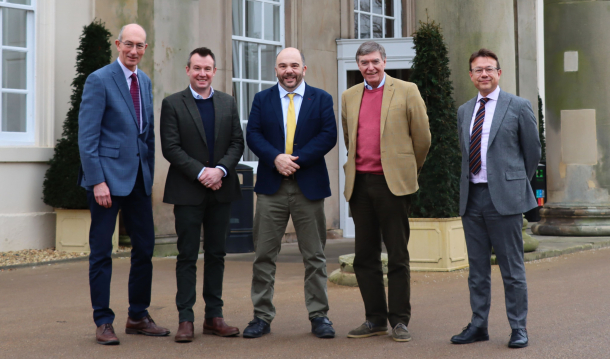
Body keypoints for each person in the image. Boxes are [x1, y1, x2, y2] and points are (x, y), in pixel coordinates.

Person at [78, 23, 169, 345]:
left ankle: (137, 315)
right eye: (128, 44)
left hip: (138, 182)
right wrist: (97, 181)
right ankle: (103, 320)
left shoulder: (143, 81)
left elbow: (146, 136)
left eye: (140, 46)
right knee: (102, 252)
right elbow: (87, 137)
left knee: (144, 249)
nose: (134, 51)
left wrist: (149, 175)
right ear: (118, 44)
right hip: (106, 182)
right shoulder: (99, 79)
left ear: (146, 48)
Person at [242, 47, 338, 339]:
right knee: (264, 255)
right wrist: (276, 158)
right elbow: (253, 134)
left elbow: (328, 135)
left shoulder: (321, 98)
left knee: (315, 256)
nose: (289, 71)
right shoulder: (262, 99)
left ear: (304, 69)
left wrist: (296, 160)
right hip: (272, 187)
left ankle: (319, 315)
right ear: (276, 70)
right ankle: (261, 316)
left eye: (294, 65)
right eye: (283, 65)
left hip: (308, 187)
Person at [341, 40, 430, 343]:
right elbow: (348, 138)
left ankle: (400, 321)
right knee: (364, 256)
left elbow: (422, 139)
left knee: (397, 255)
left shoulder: (407, 90)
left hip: (393, 185)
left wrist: (407, 171)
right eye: (364, 63)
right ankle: (375, 319)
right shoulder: (349, 96)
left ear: (384, 61)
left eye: (375, 61)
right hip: (360, 185)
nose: (370, 67)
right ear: (359, 65)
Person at [450, 48, 540, 349]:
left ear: (499, 73)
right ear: (471, 75)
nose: (484, 74)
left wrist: (513, 184)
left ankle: (518, 328)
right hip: (472, 198)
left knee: (512, 270)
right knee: (477, 271)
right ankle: (478, 325)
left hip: (504, 200)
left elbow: (533, 152)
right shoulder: (464, 110)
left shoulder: (518, 106)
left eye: (489, 69)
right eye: (478, 70)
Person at [160, 47, 245, 343]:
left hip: (221, 190)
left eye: (207, 69)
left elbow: (237, 142)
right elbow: (170, 147)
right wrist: (202, 173)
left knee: (216, 254)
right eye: (197, 68)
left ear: (214, 72)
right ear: (187, 70)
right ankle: (186, 319)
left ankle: (214, 316)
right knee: (186, 256)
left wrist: (219, 170)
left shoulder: (228, 102)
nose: (202, 73)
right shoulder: (172, 104)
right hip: (187, 192)